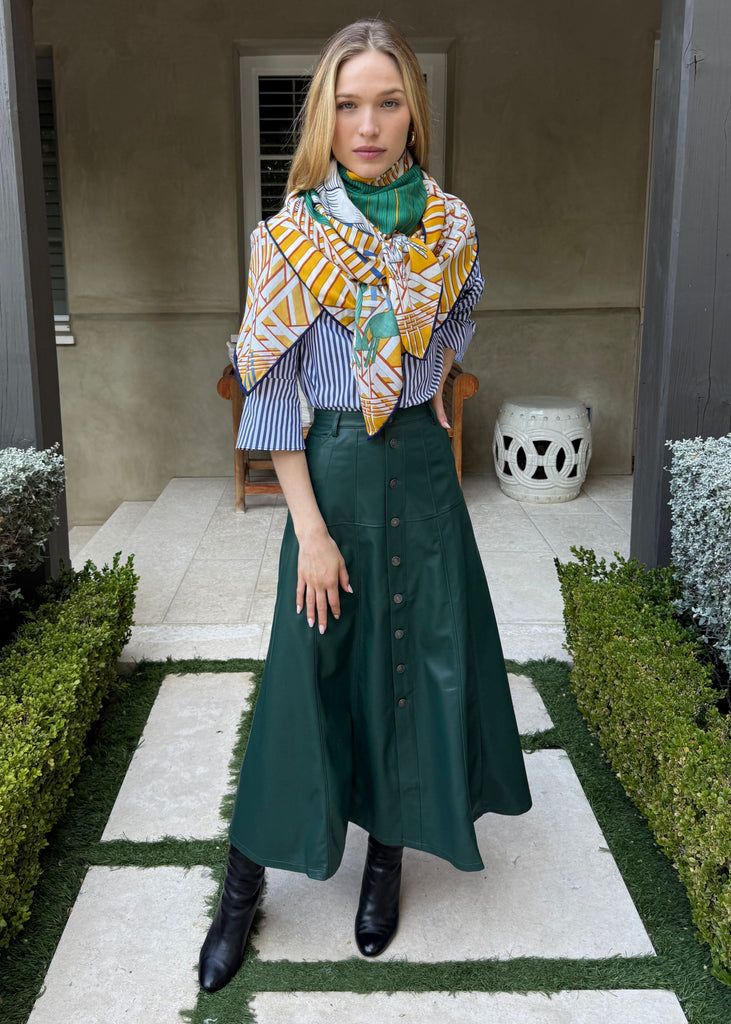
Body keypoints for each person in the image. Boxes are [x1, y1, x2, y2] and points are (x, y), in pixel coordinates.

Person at [198, 18, 532, 993]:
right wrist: (305, 528)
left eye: (386, 100)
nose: (368, 122)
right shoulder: (288, 238)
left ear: (411, 108)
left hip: (422, 476)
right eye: (347, 104)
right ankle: (242, 883)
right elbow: (265, 389)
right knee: (304, 674)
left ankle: (383, 856)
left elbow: (463, 304)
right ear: (324, 116)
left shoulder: (449, 226)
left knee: (407, 667)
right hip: (331, 477)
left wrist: (436, 377)